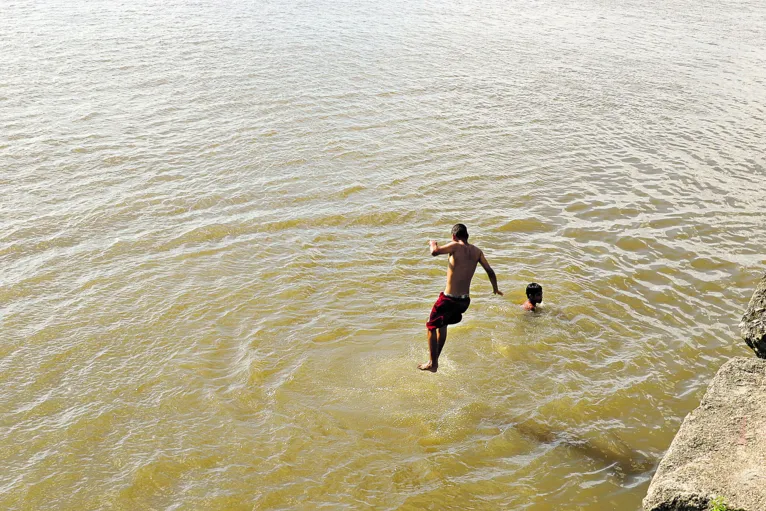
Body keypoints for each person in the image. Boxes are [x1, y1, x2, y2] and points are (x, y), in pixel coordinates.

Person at [419, 224, 502, 372]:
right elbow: (490, 271)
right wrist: (495, 288)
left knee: (430, 326)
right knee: (442, 325)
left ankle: (433, 363)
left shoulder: (455, 245)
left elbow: (435, 252)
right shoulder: (477, 251)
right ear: (467, 235)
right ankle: (435, 360)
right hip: (464, 301)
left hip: (449, 299)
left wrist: (433, 243)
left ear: (454, 236)